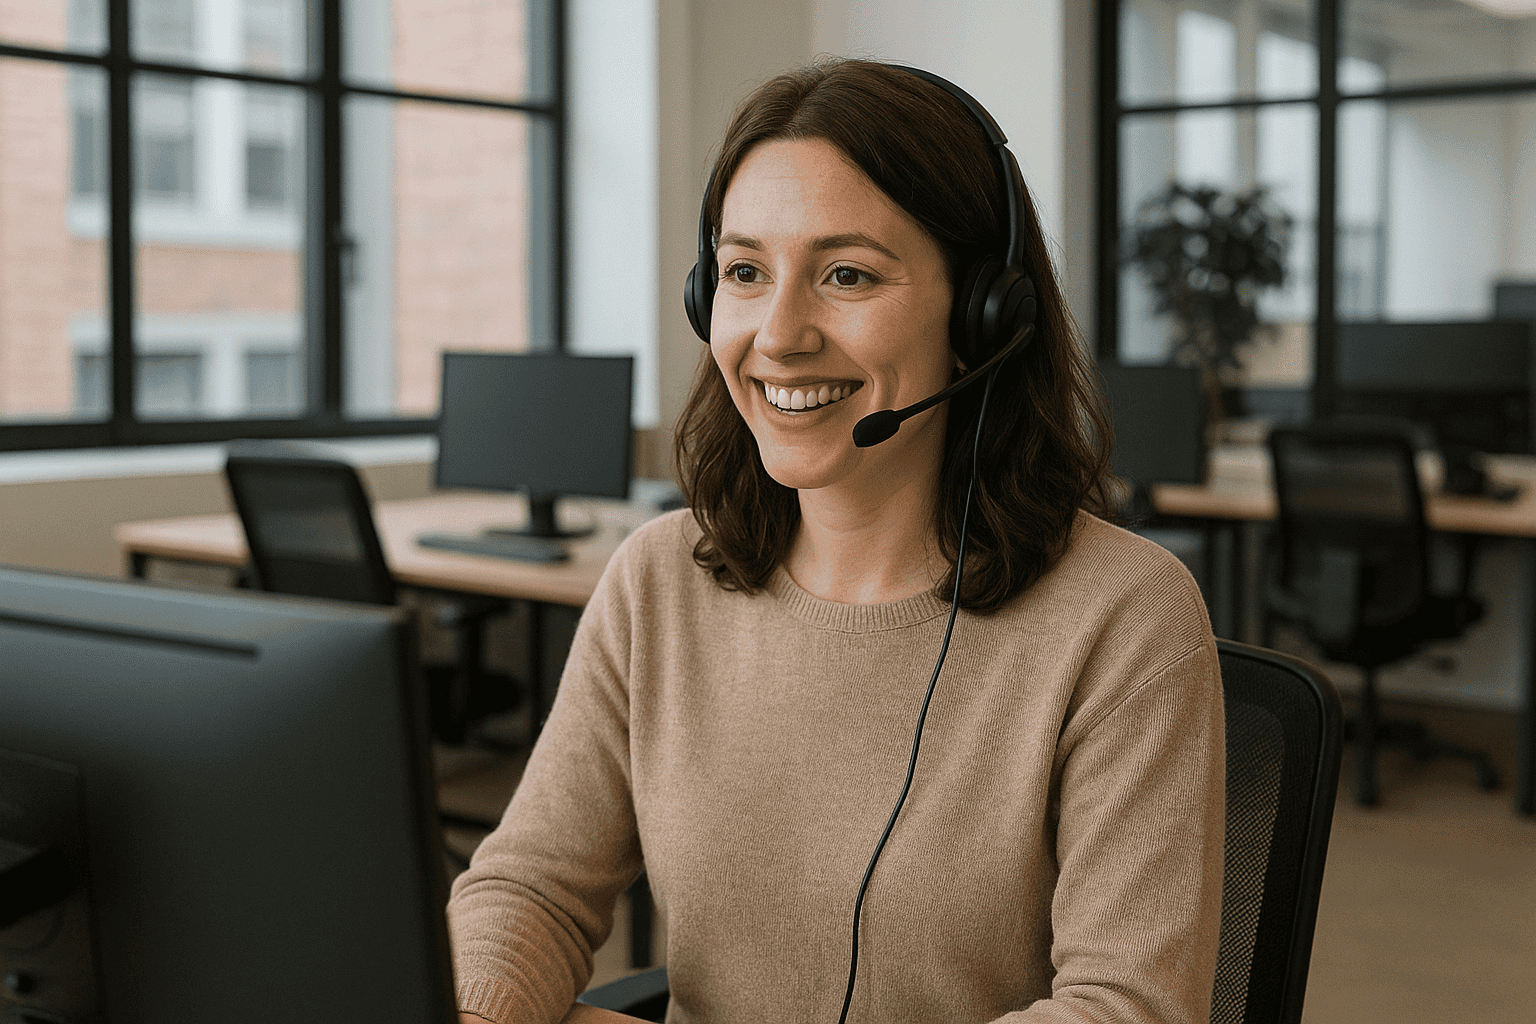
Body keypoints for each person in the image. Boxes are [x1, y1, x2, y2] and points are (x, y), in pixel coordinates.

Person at [449, 58, 1224, 1024]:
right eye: (744, 273)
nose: (778, 334)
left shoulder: (1121, 614)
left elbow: (1128, 1010)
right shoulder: (657, 579)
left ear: (984, 312)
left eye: (846, 274)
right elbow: (527, 888)